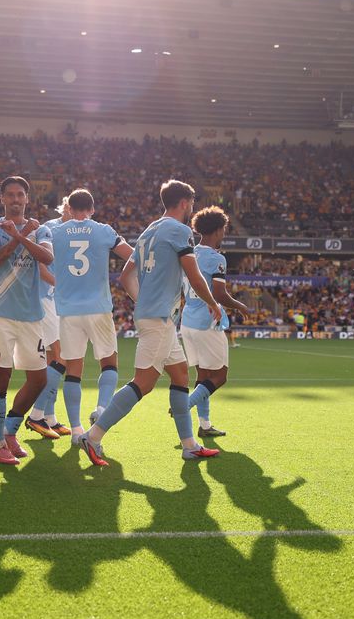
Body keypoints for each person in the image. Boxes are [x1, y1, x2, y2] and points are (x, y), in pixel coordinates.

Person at [79, 180, 223, 467]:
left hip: (157, 317)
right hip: (159, 319)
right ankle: (92, 436)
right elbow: (194, 276)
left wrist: (143, 301)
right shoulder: (180, 231)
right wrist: (212, 302)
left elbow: (124, 276)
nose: (191, 207)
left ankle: (189, 445)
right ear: (184, 202)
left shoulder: (148, 232)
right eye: (191, 203)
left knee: (181, 375)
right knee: (143, 383)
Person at [40, 188, 133, 444]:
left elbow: (41, 258)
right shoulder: (103, 230)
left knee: (73, 370)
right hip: (98, 307)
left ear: (68, 208)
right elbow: (131, 255)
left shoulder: (55, 232)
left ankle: (76, 430)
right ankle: (102, 410)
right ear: (92, 209)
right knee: (109, 362)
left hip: (68, 311)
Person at [0, 176, 54, 465]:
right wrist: (16, 237)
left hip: (32, 315)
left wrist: (22, 235)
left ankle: (10, 430)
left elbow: (46, 258)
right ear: (2, 198)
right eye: (9, 194)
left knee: (39, 379)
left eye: (20, 194)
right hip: (0, 314)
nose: (15, 199)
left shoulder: (41, 228)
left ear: (27, 198)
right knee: (0, 382)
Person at [180, 206, 250, 439]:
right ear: (218, 230)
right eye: (224, 230)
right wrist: (240, 305)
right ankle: (184, 406)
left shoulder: (188, 253)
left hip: (187, 322)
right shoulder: (216, 258)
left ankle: (205, 425)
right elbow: (219, 294)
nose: (224, 234)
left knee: (203, 377)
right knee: (219, 377)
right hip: (207, 322)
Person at [25, 199, 72, 440]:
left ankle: (49, 418)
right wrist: (67, 286)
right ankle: (36, 415)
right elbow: (42, 271)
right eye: (69, 209)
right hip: (46, 300)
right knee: (61, 357)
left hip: (56, 301)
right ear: (65, 208)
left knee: (55, 357)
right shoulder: (49, 229)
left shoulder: (75, 231)